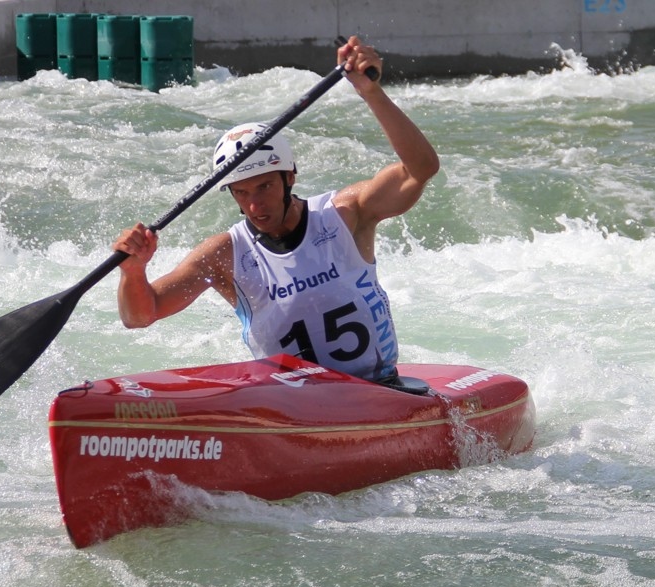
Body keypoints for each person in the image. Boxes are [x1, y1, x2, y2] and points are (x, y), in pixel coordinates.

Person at [112, 35, 439, 384]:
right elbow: (140, 317)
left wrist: (370, 92)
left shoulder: (346, 215)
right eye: (241, 192)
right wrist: (133, 272)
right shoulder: (224, 254)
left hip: (378, 389)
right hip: (290, 407)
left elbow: (420, 168)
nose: (254, 204)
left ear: (290, 177)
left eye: (265, 187)